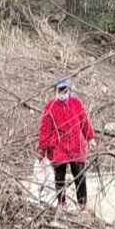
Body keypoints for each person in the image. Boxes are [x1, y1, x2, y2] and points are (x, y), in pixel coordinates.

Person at [37, 77, 95, 212]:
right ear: (56, 91)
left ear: (69, 90)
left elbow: (84, 121)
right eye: (60, 90)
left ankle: (83, 203)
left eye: (64, 89)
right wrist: (42, 147)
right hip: (58, 148)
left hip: (76, 146)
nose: (62, 92)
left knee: (80, 176)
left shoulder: (76, 103)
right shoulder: (50, 107)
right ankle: (62, 204)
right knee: (59, 178)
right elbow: (44, 129)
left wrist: (90, 138)